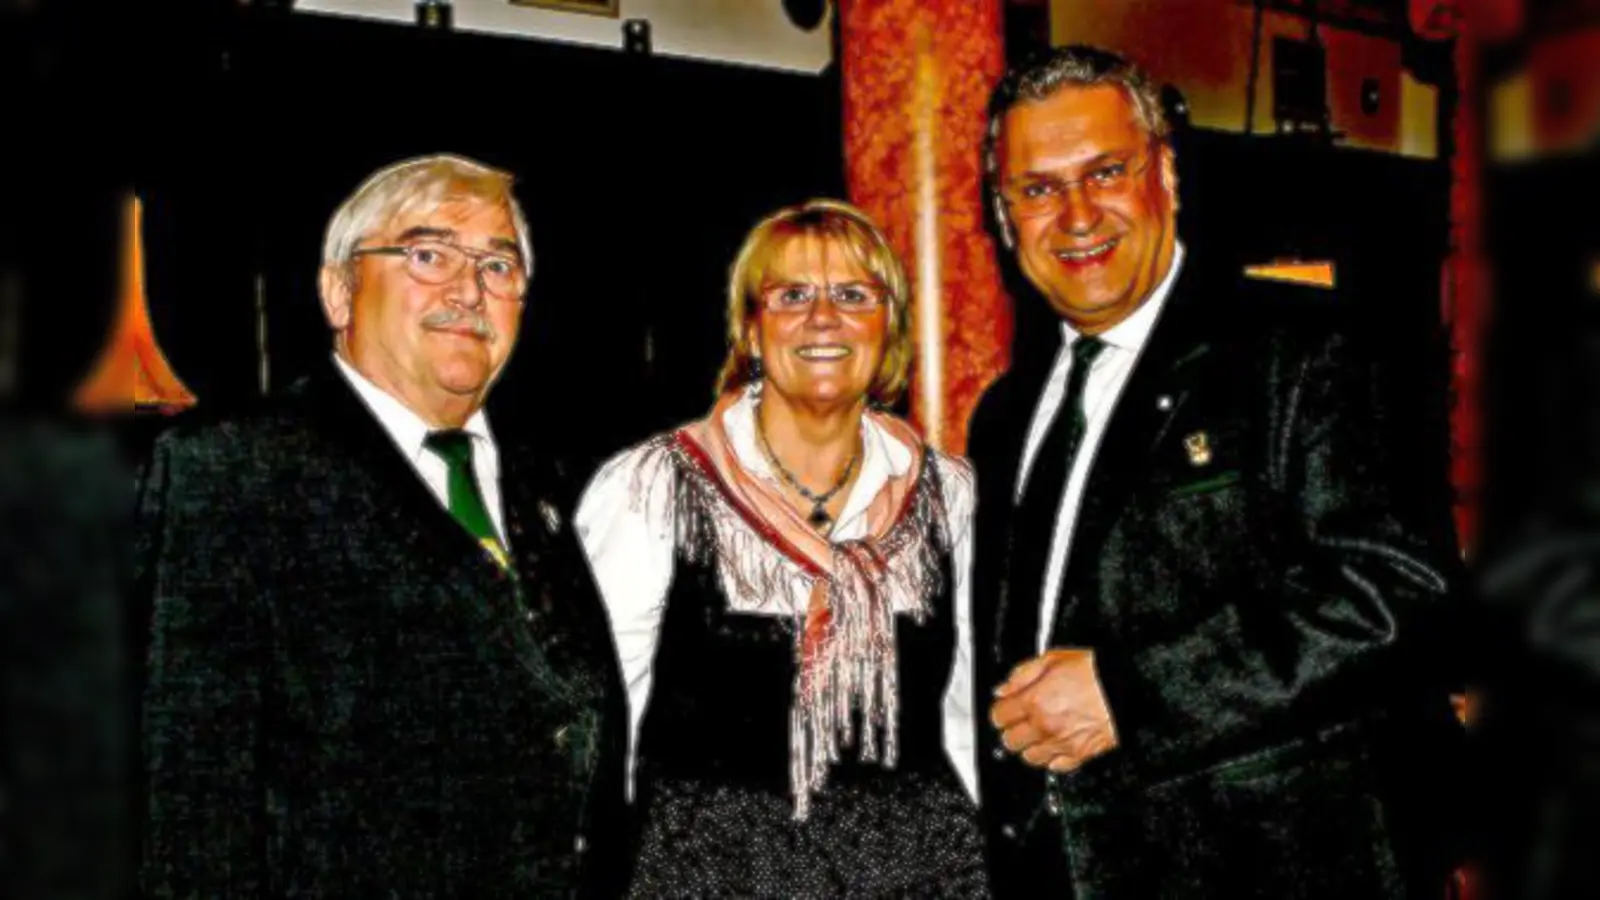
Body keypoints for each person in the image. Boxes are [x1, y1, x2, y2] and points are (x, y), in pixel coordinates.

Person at [967, 45, 1466, 897]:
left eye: (1107, 172)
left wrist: (1131, 695)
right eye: (1038, 189)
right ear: (1006, 217)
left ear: (1165, 174)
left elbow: (1395, 591)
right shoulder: (1004, 413)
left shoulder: (1304, 351)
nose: (1076, 215)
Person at [137, 154, 629, 897]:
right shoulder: (234, 471)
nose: (468, 289)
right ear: (339, 292)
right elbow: (189, 794)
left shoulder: (550, 484)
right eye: (427, 255)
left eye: (499, 265)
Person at [575, 199, 990, 896]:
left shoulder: (950, 495)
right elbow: (597, 718)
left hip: (918, 874)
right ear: (752, 330)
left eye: (854, 295)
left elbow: (964, 714)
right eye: (792, 294)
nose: (823, 317)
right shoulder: (654, 487)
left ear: (888, 328)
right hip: (711, 875)